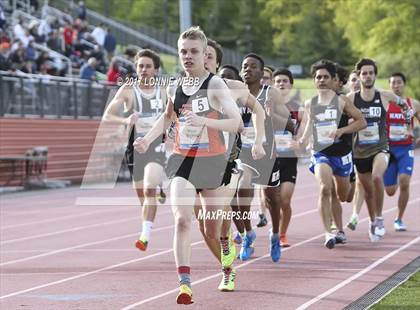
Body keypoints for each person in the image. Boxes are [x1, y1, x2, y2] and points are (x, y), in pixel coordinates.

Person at [134, 27, 242, 305]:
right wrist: (146, 139)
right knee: (182, 220)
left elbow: (236, 123)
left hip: (214, 163)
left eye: (194, 51)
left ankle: (227, 265)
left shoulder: (216, 85)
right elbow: (167, 117)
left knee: (212, 229)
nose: (188, 56)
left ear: (205, 54)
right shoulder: (174, 85)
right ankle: (185, 285)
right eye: (183, 51)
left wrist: (205, 121)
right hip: (182, 161)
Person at [195, 38, 265, 291]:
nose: (203, 59)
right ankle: (227, 265)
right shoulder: (187, 88)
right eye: (200, 54)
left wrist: (258, 141)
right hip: (192, 163)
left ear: (217, 61)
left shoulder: (233, 87)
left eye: (209, 56)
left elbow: (258, 111)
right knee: (204, 227)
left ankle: (227, 263)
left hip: (226, 164)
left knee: (216, 222)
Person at [298, 59, 366, 249]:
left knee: (343, 196)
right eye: (318, 77)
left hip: (342, 154)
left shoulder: (341, 101)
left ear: (332, 79)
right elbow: (309, 128)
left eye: (325, 77)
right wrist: (301, 142)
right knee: (324, 188)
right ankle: (328, 232)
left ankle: (341, 229)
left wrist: (342, 131)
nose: (321, 80)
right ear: (314, 81)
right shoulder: (310, 103)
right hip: (321, 153)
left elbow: (362, 122)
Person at [103, 49, 167, 251]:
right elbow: (107, 116)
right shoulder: (128, 90)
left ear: (156, 70)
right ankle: (156, 197)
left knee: (149, 189)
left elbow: (173, 116)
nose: (144, 70)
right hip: (135, 148)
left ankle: (144, 236)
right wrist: (125, 119)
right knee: (143, 194)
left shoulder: (164, 90)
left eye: (148, 66)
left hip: (157, 147)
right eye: (140, 66)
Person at [347, 58, 412, 241]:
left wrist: (408, 115)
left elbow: (404, 104)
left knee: (377, 178)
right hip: (360, 152)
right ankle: (373, 220)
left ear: (375, 75)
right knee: (368, 192)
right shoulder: (351, 99)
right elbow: (342, 118)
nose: (367, 76)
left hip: (381, 148)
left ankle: (380, 218)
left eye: (371, 73)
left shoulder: (384, 96)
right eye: (364, 73)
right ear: (359, 76)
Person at [239, 54, 291, 262]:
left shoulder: (271, 94)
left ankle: (275, 235)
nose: (248, 70)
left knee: (272, 197)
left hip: (266, 153)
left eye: (253, 67)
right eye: (245, 66)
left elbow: (290, 124)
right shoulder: (234, 94)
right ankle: (248, 234)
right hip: (242, 152)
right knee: (240, 190)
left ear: (262, 73)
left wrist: (271, 116)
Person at [271, 68, 304, 247]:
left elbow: (306, 131)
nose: (281, 83)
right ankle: (276, 229)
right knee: (272, 200)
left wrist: (300, 141)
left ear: (291, 85)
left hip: (289, 159)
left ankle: (282, 234)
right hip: (270, 159)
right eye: (278, 81)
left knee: (285, 200)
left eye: (285, 81)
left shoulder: (298, 107)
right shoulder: (267, 105)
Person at [384, 72, 420, 231]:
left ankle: (398, 219)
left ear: (404, 85)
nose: (396, 86)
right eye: (393, 83)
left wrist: (416, 134)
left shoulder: (413, 104)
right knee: (390, 191)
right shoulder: (385, 104)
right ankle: (396, 174)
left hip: (405, 149)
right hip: (388, 150)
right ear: (389, 86)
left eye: (399, 83)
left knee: (405, 182)